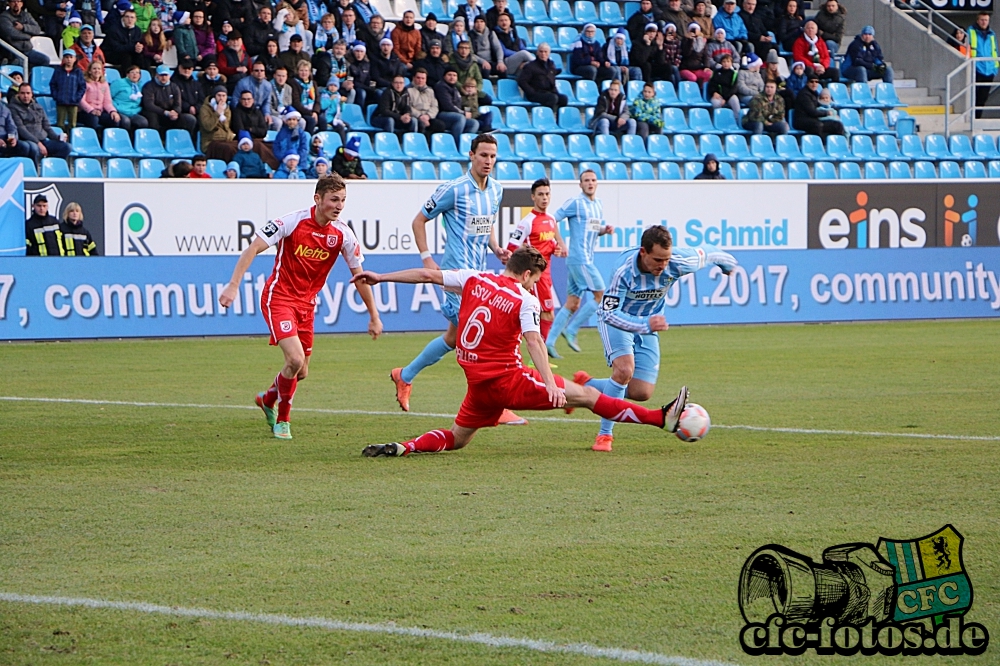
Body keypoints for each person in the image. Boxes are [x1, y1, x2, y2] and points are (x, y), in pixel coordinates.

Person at [357, 246, 692, 457]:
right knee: (588, 395)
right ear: (528, 274)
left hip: (479, 386)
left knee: (458, 440)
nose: (535, 286)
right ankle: (661, 419)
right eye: (535, 280)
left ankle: (408, 446)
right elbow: (534, 342)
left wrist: (382, 277)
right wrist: (548, 383)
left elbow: (427, 274)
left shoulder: (476, 278)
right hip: (509, 380)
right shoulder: (524, 299)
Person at [219, 174, 382, 440]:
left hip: (307, 306)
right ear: (318, 199)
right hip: (279, 298)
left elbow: (359, 276)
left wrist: (374, 315)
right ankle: (283, 420)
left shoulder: (343, 234)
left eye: (343, 200)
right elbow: (252, 249)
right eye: (333, 200)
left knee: (301, 371)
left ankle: (269, 397)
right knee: (294, 360)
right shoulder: (291, 222)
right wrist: (233, 285)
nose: (339, 206)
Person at [389, 134, 523, 425]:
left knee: (453, 338)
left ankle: (405, 375)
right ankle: (495, 407)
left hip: (480, 277)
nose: (488, 161)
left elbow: (486, 225)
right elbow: (418, 220)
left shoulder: (496, 190)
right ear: (471, 155)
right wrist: (426, 257)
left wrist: (496, 247)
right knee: (485, 340)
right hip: (455, 279)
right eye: (483, 155)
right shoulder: (454, 189)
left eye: (492, 156)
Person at [580, 225, 735, 451]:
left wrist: (727, 264)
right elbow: (607, 312)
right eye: (657, 260)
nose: (663, 265)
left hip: (647, 323)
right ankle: (605, 435)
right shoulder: (624, 271)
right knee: (624, 371)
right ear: (643, 252)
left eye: (666, 259)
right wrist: (643, 325)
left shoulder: (679, 262)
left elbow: (709, 253)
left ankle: (585, 385)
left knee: (640, 392)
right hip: (619, 320)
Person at [545, 170, 614, 359]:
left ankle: (549, 342)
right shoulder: (575, 202)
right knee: (601, 295)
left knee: (573, 303)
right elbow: (551, 220)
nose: (590, 183)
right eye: (586, 180)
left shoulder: (598, 205)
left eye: (593, 180)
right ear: (580, 184)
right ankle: (573, 329)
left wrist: (603, 230)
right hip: (579, 258)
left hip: (585, 259)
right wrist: (560, 242)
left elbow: (591, 229)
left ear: (597, 183)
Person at [505, 179, 567, 343]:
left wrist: (556, 248)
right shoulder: (527, 222)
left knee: (539, 313)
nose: (544, 198)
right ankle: (539, 358)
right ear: (533, 197)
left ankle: (537, 355)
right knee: (546, 313)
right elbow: (511, 248)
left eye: (547, 194)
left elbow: (550, 243)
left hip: (546, 273)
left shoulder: (551, 219)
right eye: (540, 194)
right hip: (535, 274)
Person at [9, 83, 71, 165]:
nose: (25, 96)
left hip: (43, 140)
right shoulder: (13, 107)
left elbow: (47, 127)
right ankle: (34, 172)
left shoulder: (38, 107)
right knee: (34, 148)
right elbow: (21, 130)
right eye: (22, 93)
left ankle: (51, 168)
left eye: (28, 93)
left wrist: (57, 137)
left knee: (67, 147)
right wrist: (38, 143)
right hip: (27, 140)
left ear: (32, 94)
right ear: (18, 94)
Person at [142, 64, 198, 137]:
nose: (164, 77)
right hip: (157, 113)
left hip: (170, 113)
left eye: (166, 75)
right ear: (157, 75)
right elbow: (149, 105)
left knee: (189, 119)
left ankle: (184, 140)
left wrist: (175, 111)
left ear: (169, 76)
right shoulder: (149, 86)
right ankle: (157, 140)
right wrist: (164, 112)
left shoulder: (174, 86)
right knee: (152, 117)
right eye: (161, 75)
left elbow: (178, 104)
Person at [79, 61, 127, 132]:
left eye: (99, 69)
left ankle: (105, 139)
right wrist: (92, 110)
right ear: (89, 71)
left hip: (100, 111)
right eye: (94, 69)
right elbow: (81, 100)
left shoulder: (104, 84)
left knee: (115, 120)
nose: (97, 71)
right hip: (85, 112)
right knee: (94, 120)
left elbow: (107, 102)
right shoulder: (84, 83)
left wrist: (112, 111)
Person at [0, 0, 51, 67]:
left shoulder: (26, 15)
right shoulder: (4, 17)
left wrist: (23, 27)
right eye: (13, 2)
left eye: (18, 1)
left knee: (45, 60)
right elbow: (12, 34)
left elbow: (37, 29)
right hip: (13, 51)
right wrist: (28, 36)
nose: (16, 4)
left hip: (28, 50)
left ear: (22, 4)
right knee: (21, 63)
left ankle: (32, 76)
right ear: (9, 3)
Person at [435, 67, 479, 143]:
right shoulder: (441, 86)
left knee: (474, 123)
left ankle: (465, 144)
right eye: (449, 75)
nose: (452, 77)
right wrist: (463, 113)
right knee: (460, 118)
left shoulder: (454, 88)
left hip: (455, 115)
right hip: (443, 114)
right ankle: (456, 144)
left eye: (454, 75)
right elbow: (448, 106)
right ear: (444, 76)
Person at [518, 43, 567, 111]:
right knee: (553, 98)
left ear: (549, 53)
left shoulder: (551, 65)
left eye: (545, 52)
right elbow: (522, 81)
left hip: (549, 92)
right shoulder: (530, 66)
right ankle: (547, 118)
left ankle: (559, 120)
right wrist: (531, 92)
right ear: (537, 53)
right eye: (541, 51)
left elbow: (552, 80)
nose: (543, 54)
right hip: (536, 93)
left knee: (564, 99)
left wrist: (555, 91)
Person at [50, 50, 86, 135]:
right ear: (63, 59)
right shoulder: (58, 71)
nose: (69, 59)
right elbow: (53, 84)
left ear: (75, 59)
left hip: (73, 103)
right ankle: (60, 139)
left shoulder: (78, 71)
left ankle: (71, 139)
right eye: (66, 57)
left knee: (72, 124)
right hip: (61, 102)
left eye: (71, 57)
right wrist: (56, 96)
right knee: (60, 123)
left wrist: (77, 98)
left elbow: (82, 86)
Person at [233, 61, 275, 126]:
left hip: (259, 113)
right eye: (256, 70)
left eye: (262, 70)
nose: (259, 73)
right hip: (244, 112)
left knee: (277, 123)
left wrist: (266, 113)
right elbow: (235, 100)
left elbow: (267, 102)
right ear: (252, 72)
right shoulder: (243, 83)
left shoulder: (268, 85)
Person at [110, 65, 150, 131]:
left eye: (137, 73)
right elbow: (108, 97)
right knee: (126, 122)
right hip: (120, 110)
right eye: (132, 72)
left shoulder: (140, 86)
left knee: (143, 122)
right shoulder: (119, 83)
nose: (135, 74)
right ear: (127, 74)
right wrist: (116, 107)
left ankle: (135, 140)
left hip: (134, 111)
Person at [199, 85, 234, 151]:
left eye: (224, 96)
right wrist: (217, 113)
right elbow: (208, 127)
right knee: (229, 149)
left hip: (225, 139)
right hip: (210, 141)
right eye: (219, 95)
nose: (221, 98)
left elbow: (226, 126)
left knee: (238, 147)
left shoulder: (226, 109)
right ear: (214, 96)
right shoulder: (205, 108)